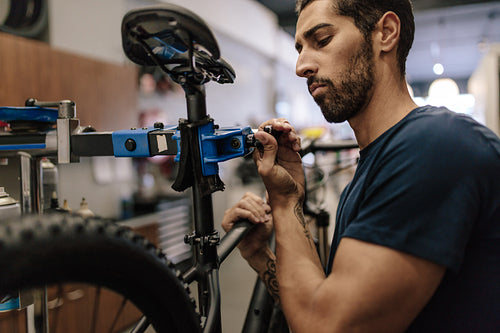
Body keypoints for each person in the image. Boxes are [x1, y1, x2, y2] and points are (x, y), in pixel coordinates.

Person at [222, 0, 500, 332]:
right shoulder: (378, 162)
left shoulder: (435, 145)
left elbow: (326, 325)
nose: (301, 66)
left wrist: (283, 205)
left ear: (386, 32)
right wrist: (263, 248)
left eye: (322, 40)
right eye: (300, 48)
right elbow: (320, 303)